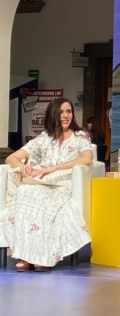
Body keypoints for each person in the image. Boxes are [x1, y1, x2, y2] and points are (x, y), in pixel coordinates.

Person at [2, 98, 94, 271]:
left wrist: (54, 168)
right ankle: (25, 255)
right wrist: (23, 167)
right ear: (53, 114)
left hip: (62, 183)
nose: (65, 116)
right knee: (24, 193)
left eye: (68, 111)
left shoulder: (80, 136)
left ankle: (42, 257)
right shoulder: (44, 138)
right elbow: (11, 158)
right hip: (42, 181)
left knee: (40, 198)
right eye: (61, 112)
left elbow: (87, 159)